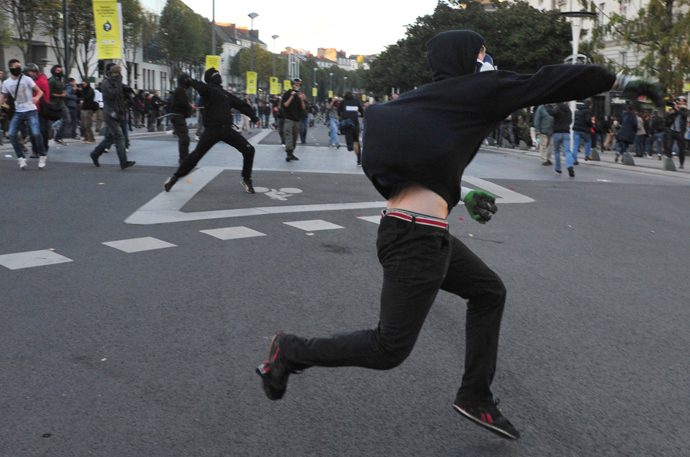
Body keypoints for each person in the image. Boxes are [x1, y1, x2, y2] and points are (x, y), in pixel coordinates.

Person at [255, 30, 664, 440]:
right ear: (466, 58)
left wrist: (462, 195)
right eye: (484, 53)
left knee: (489, 292)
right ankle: (290, 350)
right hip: (416, 241)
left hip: (413, 230)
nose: (489, 61)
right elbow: (548, 81)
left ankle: (476, 396)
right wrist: (619, 82)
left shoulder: (416, 105)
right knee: (387, 349)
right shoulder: (477, 89)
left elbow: (406, 173)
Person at [162, 68, 260, 194]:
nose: (218, 75)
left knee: (249, 149)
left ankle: (247, 179)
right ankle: (174, 178)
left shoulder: (225, 93)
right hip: (212, 130)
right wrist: (190, 80)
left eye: (219, 73)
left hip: (226, 129)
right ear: (210, 79)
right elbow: (202, 87)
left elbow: (241, 105)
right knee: (196, 156)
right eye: (215, 74)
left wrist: (255, 118)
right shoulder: (208, 91)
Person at [0, 59, 47, 169]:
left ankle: (42, 155)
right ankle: (21, 158)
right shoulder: (7, 83)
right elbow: (4, 97)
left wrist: (36, 97)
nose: (19, 69)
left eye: (20, 67)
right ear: (11, 68)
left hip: (31, 110)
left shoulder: (27, 79)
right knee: (11, 134)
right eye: (17, 67)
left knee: (36, 133)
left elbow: (40, 91)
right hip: (18, 111)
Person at [88, 64, 136, 170]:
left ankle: (95, 154)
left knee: (110, 139)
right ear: (111, 72)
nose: (117, 75)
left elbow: (121, 92)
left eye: (118, 73)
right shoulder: (106, 83)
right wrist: (119, 82)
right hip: (110, 114)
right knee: (119, 137)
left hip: (118, 113)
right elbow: (113, 94)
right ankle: (123, 162)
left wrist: (128, 91)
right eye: (115, 72)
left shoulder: (115, 82)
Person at [169, 73, 193, 164]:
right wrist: (190, 107)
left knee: (184, 137)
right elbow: (184, 104)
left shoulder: (179, 90)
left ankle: (184, 156)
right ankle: (183, 158)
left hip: (178, 116)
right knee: (184, 137)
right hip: (178, 116)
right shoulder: (181, 91)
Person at [546, 102, 575, 176]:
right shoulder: (569, 110)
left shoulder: (557, 109)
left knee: (557, 151)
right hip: (566, 133)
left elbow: (550, 112)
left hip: (557, 132)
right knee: (567, 151)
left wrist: (548, 105)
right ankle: (569, 165)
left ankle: (558, 168)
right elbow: (570, 121)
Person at [281, 78, 306, 162]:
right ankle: (288, 153)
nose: (297, 86)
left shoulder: (300, 95)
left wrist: (302, 99)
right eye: (295, 84)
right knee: (289, 136)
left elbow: (303, 108)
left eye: (298, 85)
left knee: (295, 137)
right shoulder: (287, 94)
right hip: (288, 118)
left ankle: (291, 153)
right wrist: (292, 95)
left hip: (297, 119)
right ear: (292, 85)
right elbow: (285, 105)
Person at [337, 91, 364, 165]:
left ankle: (351, 146)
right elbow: (362, 112)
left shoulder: (343, 102)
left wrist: (341, 116)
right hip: (355, 124)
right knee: (357, 141)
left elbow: (339, 112)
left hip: (348, 125)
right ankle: (359, 160)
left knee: (349, 146)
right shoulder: (356, 101)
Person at [48, 65, 71, 145]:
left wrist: (65, 94)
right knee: (50, 120)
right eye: (58, 70)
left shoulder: (61, 80)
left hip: (61, 103)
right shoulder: (51, 80)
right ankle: (53, 135)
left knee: (67, 120)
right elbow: (50, 93)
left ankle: (58, 137)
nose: (59, 72)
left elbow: (63, 90)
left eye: (60, 70)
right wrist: (60, 95)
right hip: (54, 103)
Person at [665, 96, 688, 169]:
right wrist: (670, 113)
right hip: (671, 131)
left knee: (681, 149)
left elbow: (685, 115)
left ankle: (681, 163)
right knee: (669, 146)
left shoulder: (686, 110)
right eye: (679, 101)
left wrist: (677, 109)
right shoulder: (674, 109)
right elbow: (666, 118)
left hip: (680, 132)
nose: (680, 102)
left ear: (684, 103)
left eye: (682, 101)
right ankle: (668, 161)